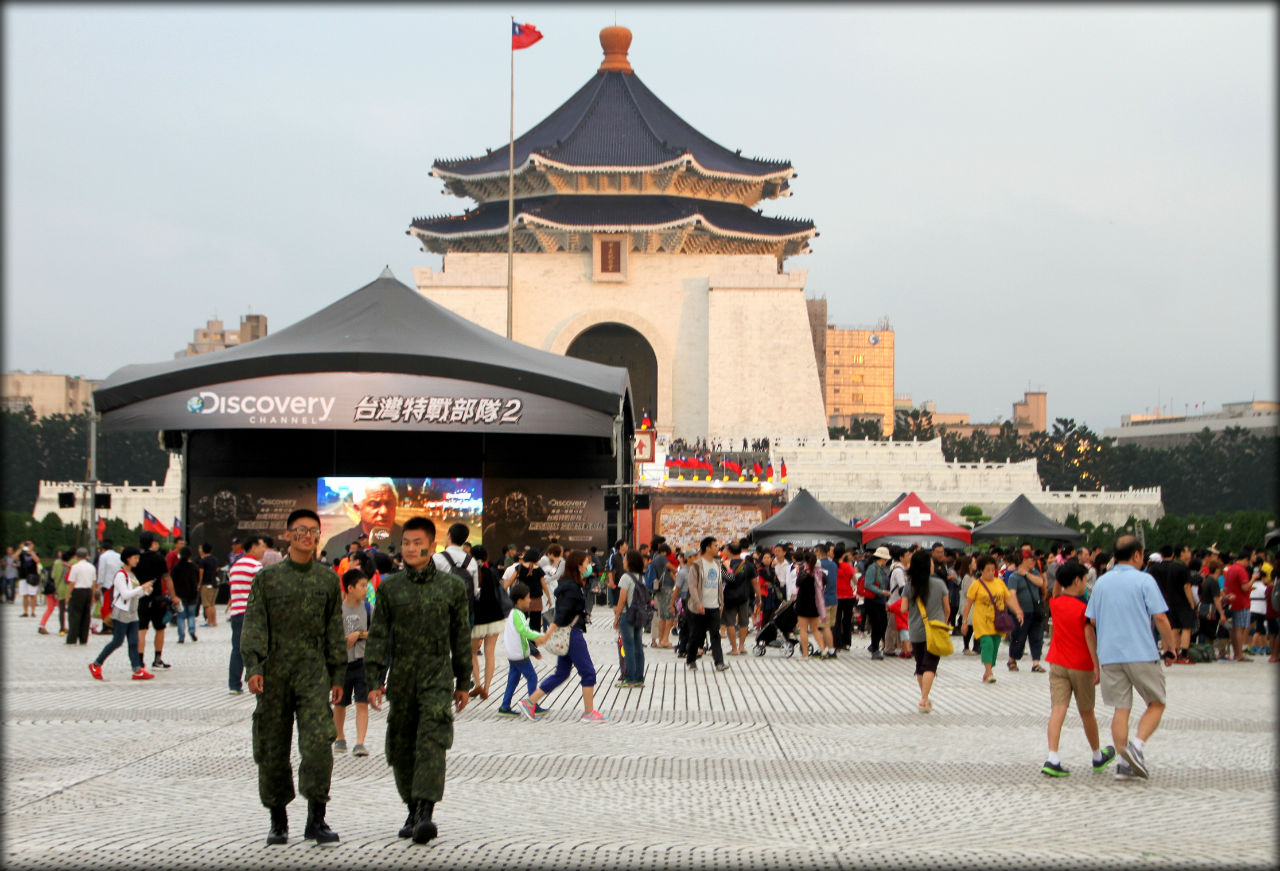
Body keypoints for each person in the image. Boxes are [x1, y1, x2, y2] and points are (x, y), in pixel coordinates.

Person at [365, 516, 473, 844]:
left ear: (431, 545)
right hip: (400, 680)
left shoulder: (451, 587)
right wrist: (373, 680)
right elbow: (379, 636)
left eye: (417, 543)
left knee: (431, 742)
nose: (411, 548)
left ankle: (426, 812)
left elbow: (460, 637)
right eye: (406, 543)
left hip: (437, 679)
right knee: (400, 747)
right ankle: (411, 807)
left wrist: (463, 683)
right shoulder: (390, 588)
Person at [240, 510, 345, 845]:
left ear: (318, 536)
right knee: (272, 747)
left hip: (313, 672)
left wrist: (337, 673)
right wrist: (254, 666)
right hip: (274, 674)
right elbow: (254, 622)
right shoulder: (267, 578)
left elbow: (334, 629)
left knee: (317, 746)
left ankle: (317, 819)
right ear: (288, 535)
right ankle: (278, 819)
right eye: (300, 530)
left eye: (313, 531)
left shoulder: (327, 579)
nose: (306, 536)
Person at [1085, 535, 1178, 781]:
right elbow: (1160, 618)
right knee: (1156, 702)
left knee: (1121, 708)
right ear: (1137, 555)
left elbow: (1091, 621)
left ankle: (1123, 766)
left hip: (1109, 654)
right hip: (1140, 652)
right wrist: (1172, 646)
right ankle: (1136, 747)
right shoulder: (1144, 580)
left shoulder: (1102, 582)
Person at [1040, 562, 1117, 776]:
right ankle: (1096, 755)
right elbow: (1089, 636)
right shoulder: (1084, 609)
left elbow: (1055, 591)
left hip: (1057, 662)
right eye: (1084, 579)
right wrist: (1096, 665)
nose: (1086, 584)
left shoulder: (1055, 603)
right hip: (1081, 664)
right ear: (1077, 581)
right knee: (1086, 711)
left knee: (1058, 709)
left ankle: (1052, 757)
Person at [518, 549, 606, 721]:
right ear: (578, 566)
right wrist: (546, 635)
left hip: (569, 632)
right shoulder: (571, 588)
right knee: (588, 672)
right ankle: (589, 712)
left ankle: (530, 702)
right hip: (571, 633)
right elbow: (562, 615)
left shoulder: (572, 585)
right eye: (587, 563)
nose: (589, 566)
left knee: (562, 673)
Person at [88, 547, 154, 680]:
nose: (137, 560)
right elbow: (125, 594)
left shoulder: (132, 575)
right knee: (117, 641)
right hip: (121, 612)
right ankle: (96, 664)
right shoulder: (120, 575)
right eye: (135, 558)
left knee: (134, 642)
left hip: (132, 612)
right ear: (128, 559)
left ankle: (137, 669)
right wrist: (142, 587)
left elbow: (134, 595)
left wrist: (145, 591)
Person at [961, 555, 1024, 684]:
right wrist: (964, 621)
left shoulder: (999, 583)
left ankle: (988, 670)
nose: (990, 572)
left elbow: (1008, 599)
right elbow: (968, 604)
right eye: (987, 570)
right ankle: (989, 672)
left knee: (995, 645)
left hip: (997, 621)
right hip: (982, 620)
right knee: (987, 644)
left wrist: (1017, 611)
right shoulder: (976, 585)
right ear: (981, 570)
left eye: (992, 569)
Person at [333, 569, 371, 757]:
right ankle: (340, 737)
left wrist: (359, 635)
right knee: (340, 702)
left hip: (363, 661)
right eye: (362, 586)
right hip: (343, 662)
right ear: (350, 588)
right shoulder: (337, 610)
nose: (365, 589)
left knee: (362, 702)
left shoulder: (368, 608)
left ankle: (360, 742)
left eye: (366, 585)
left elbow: (377, 632)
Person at [905, 550, 949, 713]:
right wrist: (943, 621)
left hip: (916, 630)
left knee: (920, 666)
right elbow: (947, 608)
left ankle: (925, 697)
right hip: (935, 629)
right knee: (930, 665)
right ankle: (924, 699)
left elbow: (903, 607)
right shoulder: (939, 584)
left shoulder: (910, 585)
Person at [321, 478, 404, 557]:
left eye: (389, 503)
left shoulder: (408, 540)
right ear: (357, 509)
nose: (384, 511)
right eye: (374, 504)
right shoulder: (335, 544)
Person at [497, 581, 546, 716]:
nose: (530, 600)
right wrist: (540, 636)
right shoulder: (518, 615)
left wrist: (534, 650)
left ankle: (505, 706)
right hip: (519, 654)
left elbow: (521, 636)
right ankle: (532, 705)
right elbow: (525, 632)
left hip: (513, 654)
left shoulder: (513, 613)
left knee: (513, 679)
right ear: (519, 600)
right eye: (528, 597)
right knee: (532, 677)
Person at [227, 536, 266, 694]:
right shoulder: (256, 566)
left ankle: (234, 684)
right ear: (253, 547)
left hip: (236, 613)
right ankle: (257, 680)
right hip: (252, 614)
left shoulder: (235, 566)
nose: (264, 550)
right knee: (258, 649)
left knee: (237, 649)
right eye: (262, 546)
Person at [467, 544, 505, 700]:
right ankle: (487, 689)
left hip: (478, 617)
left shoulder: (470, 573)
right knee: (490, 653)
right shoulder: (492, 572)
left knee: (472, 653)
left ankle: (478, 684)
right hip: (495, 617)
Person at [685, 536, 728, 672]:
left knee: (715, 634)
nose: (718, 548)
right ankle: (691, 659)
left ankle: (719, 662)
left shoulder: (718, 564)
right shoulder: (697, 565)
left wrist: (721, 603)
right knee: (696, 635)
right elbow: (692, 587)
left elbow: (720, 584)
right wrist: (698, 603)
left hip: (714, 606)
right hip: (699, 607)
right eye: (715, 546)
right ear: (708, 548)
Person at [134, 534, 175, 670]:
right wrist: (173, 596)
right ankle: (157, 659)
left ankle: (139, 660)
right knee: (160, 628)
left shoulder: (137, 559)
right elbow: (167, 578)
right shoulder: (159, 558)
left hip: (141, 597)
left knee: (142, 629)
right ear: (152, 543)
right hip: (157, 598)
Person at [1005, 549, 1048, 673]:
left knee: (1037, 637)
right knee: (1018, 637)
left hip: (1035, 611)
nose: (1034, 561)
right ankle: (1012, 659)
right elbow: (1012, 594)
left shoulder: (1034, 572)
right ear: (1024, 560)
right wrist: (1018, 610)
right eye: (1032, 559)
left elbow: (1040, 582)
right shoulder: (1014, 576)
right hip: (1021, 612)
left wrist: (1026, 574)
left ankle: (1036, 663)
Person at [613, 549, 647, 687]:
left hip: (628, 615)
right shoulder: (641, 577)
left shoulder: (626, 577)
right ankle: (639, 677)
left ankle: (630, 678)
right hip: (639, 615)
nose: (623, 561)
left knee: (628, 647)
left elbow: (622, 600)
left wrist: (616, 617)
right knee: (638, 645)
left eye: (625, 558)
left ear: (629, 561)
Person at [1221, 549, 1254, 662]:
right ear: (1245, 559)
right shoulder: (1241, 570)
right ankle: (1239, 654)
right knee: (1240, 628)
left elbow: (1226, 587)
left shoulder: (1230, 569)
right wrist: (1253, 578)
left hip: (1232, 602)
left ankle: (1236, 653)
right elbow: (1245, 587)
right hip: (1241, 602)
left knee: (1235, 629)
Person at [793, 549, 825, 660]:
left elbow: (797, 584)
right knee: (815, 629)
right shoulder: (820, 574)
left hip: (803, 603)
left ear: (805, 561)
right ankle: (823, 650)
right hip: (815, 604)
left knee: (803, 630)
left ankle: (805, 654)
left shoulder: (803, 574)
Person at [63, 548, 98, 644]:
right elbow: (94, 582)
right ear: (86, 556)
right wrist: (92, 595)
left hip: (77, 592)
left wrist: (67, 596)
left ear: (76, 556)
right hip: (88, 591)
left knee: (74, 615)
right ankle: (83, 638)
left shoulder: (75, 567)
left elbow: (72, 583)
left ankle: (72, 638)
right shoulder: (91, 567)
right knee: (86, 616)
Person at [863, 546, 891, 660]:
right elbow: (868, 584)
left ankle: (875, 647)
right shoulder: (872, 568)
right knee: (877, 625)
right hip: (873, 600)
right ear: (883, 558)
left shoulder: (880, 568)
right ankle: (875, 648)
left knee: (882, 624)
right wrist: (881, 591)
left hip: (880, 601)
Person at [171, 547, 200, 643]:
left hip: (180, 595)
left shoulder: (176, 567)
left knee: (181, 616)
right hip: (192, 594)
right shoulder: (194, 567)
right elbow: (197, 579)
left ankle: (181, 636)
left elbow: (172, 580)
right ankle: (191, 631)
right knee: (191, 615)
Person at [816, 544, 839, 659]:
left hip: (823, 600)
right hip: (833, 598)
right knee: (829, 626)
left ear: (819, 552)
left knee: (825, 627)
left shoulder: (819, 565)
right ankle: (824, 648)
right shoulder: (834, 564)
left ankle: (830, 650)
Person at [654, 545, 677, 649]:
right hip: (666, 586)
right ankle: (665, 639)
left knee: (662, 615)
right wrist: (676, 569)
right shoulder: (662, 558)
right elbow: (672, 568)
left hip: (659, 588)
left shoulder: (655, 558)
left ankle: (661, 640)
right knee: (670, 614)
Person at [834, 550, 857, 651]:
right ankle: (846, 642)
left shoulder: (833, 566)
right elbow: (855, 581)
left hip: (836, 596)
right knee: (847, 620)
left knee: (837, 621)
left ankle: (836, 644)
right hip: (848, 596)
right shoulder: (848, 566)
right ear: (843, 555)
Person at [198, 542, 220, 627]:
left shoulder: (202, 561)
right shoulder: (215, 560)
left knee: (207, 604)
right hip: (214, 583)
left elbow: (201, 573)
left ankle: (209, 622)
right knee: (212, 604)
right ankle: (214, 621)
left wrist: (199, 584)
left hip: (206, 584)